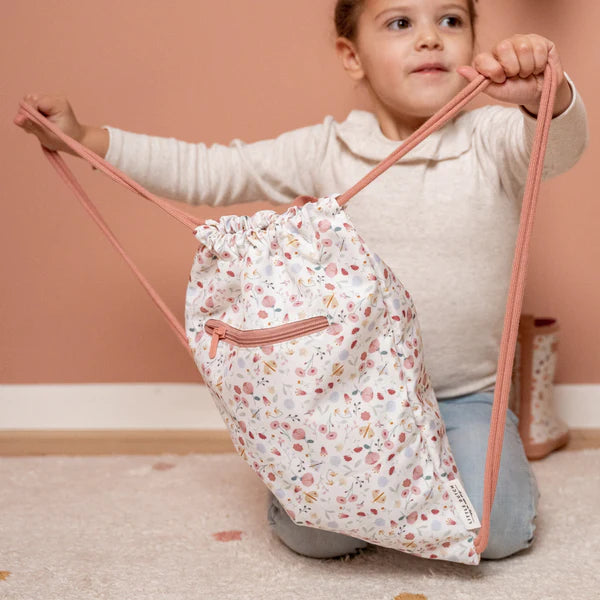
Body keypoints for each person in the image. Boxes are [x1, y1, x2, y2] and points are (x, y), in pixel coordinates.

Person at [15, 0, 588, 561]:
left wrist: (548, 95)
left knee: (501, 531)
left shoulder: (493, 136)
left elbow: (559, 147)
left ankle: (499, 443)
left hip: (467, 396)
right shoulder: (326, 148)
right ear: (351, 55)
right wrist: (85, 137)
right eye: (399, 22)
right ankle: (299, 484)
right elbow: (209, 171)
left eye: (450, 20)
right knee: (320, 535)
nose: (430, 38)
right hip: (346, 398)